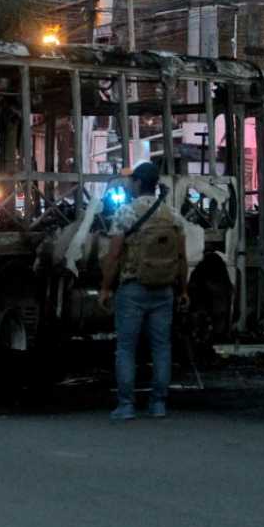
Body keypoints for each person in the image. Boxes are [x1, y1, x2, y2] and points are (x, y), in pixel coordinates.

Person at [99, 162, 189, 421]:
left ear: (138, 183)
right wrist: (183, 290)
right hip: (164, 290)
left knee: (126, 348)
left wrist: (106, 288)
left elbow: (114, 256)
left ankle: (126, 405)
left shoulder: (125, 213)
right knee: (161, 348)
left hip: (133, 288)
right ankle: (158, 405)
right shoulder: (172, 215)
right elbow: (182, 257)